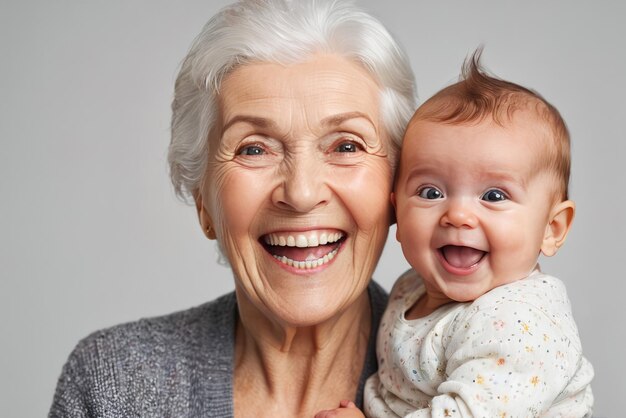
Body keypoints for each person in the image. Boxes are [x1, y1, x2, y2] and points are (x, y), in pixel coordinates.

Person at [48, 1, 416, 417]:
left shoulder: (474, 373)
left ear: (397, 187)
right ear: (203, 201)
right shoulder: (116, 383)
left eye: (346, 146)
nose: (301, 193)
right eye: (254, 149)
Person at [316, 53, 594, 418]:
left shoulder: (519, 321)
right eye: (431, 192)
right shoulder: (409, 289)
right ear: (397, 210)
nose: (458, 215)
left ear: (551, 228)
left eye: (494, 196)